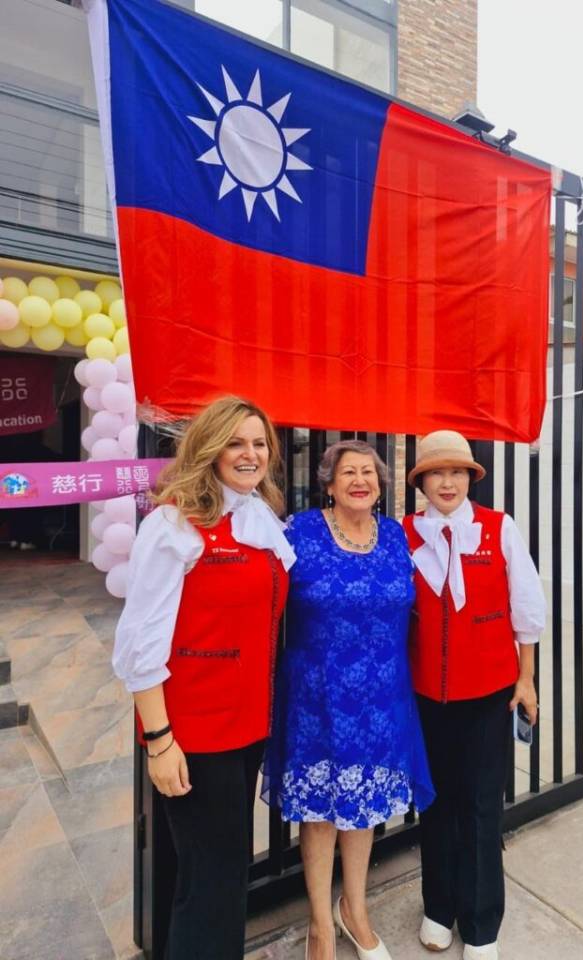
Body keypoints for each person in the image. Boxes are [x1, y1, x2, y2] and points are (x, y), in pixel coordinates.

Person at [113, 396, 295, 960]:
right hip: (194, 734)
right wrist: (159, 741)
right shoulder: (174, 525)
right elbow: (140, 643)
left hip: (246, 728)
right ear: (210, 449)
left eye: (259, 443)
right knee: (212, 883)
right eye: (236, 443)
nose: (250, 454)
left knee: (214, 874)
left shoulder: (259, 514)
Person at [264, 439, 434, 960]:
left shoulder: (395, 537)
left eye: (369, 473)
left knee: (361, 810)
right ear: (329, 483)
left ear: (381, 485)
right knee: (318, 814)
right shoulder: (300, 531)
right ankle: (320, 923)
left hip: (381, 698)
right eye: (349, 473)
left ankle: (354, 910)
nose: (360, 480)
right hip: (316, 697)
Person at [403, 430, 546, 960]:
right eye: (437, 473)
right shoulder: (404, 535)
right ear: (421, 481)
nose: (447, 482)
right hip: (426, 698)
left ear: (469, 478)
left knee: (483, 806)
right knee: (436, 805)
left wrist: (526, 678)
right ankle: (439, 907)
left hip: (489, 694)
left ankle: (483, 921)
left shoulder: (497, 528)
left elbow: (526, 608)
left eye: (457, 472)